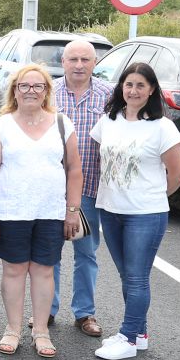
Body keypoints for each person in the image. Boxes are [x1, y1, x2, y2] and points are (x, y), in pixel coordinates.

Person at [0, 64, 82, 358]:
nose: (31, 92)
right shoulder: (1, 126)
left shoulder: (63, 124)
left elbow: (75, 170)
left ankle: (41, 331)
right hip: (11, 212)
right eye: (24, 86)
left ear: (47, 91)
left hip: (50, 212)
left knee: (43, 271)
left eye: (38, 86)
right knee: (13, 270)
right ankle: (12, 329)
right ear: (15, 90)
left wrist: (72, 210)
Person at [92, 62, 180, 360]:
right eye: (128, 84)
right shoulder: (109, 120)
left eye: (140, 86)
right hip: (110, 209)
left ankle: (128, 337)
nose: (133, 91)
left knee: (136, 278)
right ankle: (140, 333)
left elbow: (177, 172)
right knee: (126, 275)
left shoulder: (162, 127)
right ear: (121, 87)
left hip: (145, 214)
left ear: (152, 90)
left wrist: (154, 198)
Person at [47, 40, 113, 337]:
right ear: (63, 62)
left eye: (85, 59)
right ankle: (45, 310)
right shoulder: (48, 91)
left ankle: (84, 313)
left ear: (95, 63)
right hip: (49, 187)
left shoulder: (108, 95)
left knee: (86, 252)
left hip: (89, 188)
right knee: (49, 252)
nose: (79, 65)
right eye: (73, 59)